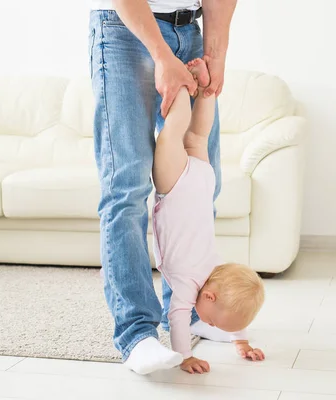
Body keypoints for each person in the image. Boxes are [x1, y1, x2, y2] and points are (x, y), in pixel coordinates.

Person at [89, 0, 237, 374]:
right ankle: (137, 334)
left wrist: (215, 53)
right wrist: (159, 52)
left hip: (189, 29)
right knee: (127, 189)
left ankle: (190, 311)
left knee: (202, 184)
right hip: (125, 29)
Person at [152, 58, 265, 374]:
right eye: (211, 319)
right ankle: (184, 84)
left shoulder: (217, 268)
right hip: (177, 189)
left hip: (202, 184)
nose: (206, 321)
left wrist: (239, 340)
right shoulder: (191, 285)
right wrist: (184, 356)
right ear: (210, 296)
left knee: (197, 137)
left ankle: (205, 90)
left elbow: (232, 308)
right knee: (170, 136)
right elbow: (176, 316)